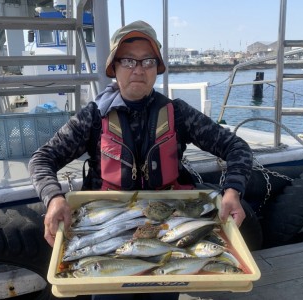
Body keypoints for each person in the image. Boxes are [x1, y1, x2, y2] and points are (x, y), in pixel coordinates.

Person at [29, 20, 253, 300]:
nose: (138, 69)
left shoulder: (178, 113)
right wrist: (54, 198)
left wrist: (233, 191)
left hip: (168, 226)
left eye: (148, 61)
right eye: (128, 61)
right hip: (107, 229)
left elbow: (238, 148)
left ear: (157, 68)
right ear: (114, 67)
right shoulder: (92, 118)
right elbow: (42, 159)